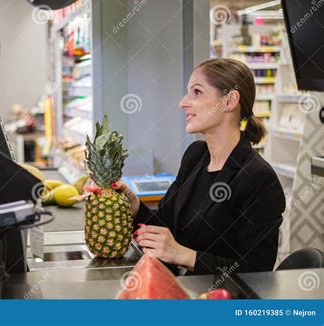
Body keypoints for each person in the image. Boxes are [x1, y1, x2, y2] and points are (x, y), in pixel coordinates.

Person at [115, 58, 286, 275]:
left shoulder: (258, 178)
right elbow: (166, 225)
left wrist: (184, 256)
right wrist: (134, 206)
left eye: (196, 92)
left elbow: (257, 271)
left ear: (229, 101)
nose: (183, 103)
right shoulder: (196, 156)